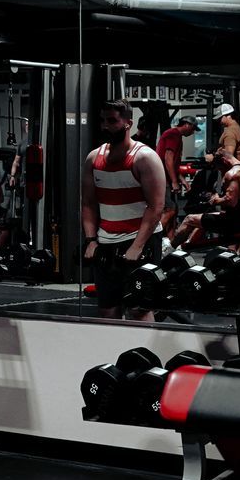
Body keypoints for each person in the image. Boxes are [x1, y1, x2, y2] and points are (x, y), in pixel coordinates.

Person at [80, 100, 166, 321]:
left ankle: (144, 354)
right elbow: (88, 203)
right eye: (103, 120)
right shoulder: (93, 158)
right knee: (108, 310)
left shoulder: (144, 158)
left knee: (139, 309)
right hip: (106, 243)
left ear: (128, 123)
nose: (105, 126)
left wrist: (137, 246)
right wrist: (91, 240)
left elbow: (155, 206)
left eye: (112, 121)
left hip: (140, 241)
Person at [172, 147, 240, 250]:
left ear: (223, 160)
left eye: (220, 167)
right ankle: (184, 248)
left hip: (233, 224)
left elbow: (230, 201)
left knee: (189, 219)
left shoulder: (233, 174)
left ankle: (169, 250)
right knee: (203, 218)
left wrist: (216, 199)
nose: (221, 171)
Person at [156, 115, 200, 233]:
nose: (193, 132)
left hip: (166, 177)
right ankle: (150, 239)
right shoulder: (173, 134)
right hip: (162, 178)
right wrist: (175, 182)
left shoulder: (176, 136)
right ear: (186, 125)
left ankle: (171, 243)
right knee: (170, 210)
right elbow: (168, 159)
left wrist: (182, 180)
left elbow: (174, 165)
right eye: (193, 129)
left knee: (173, 211)